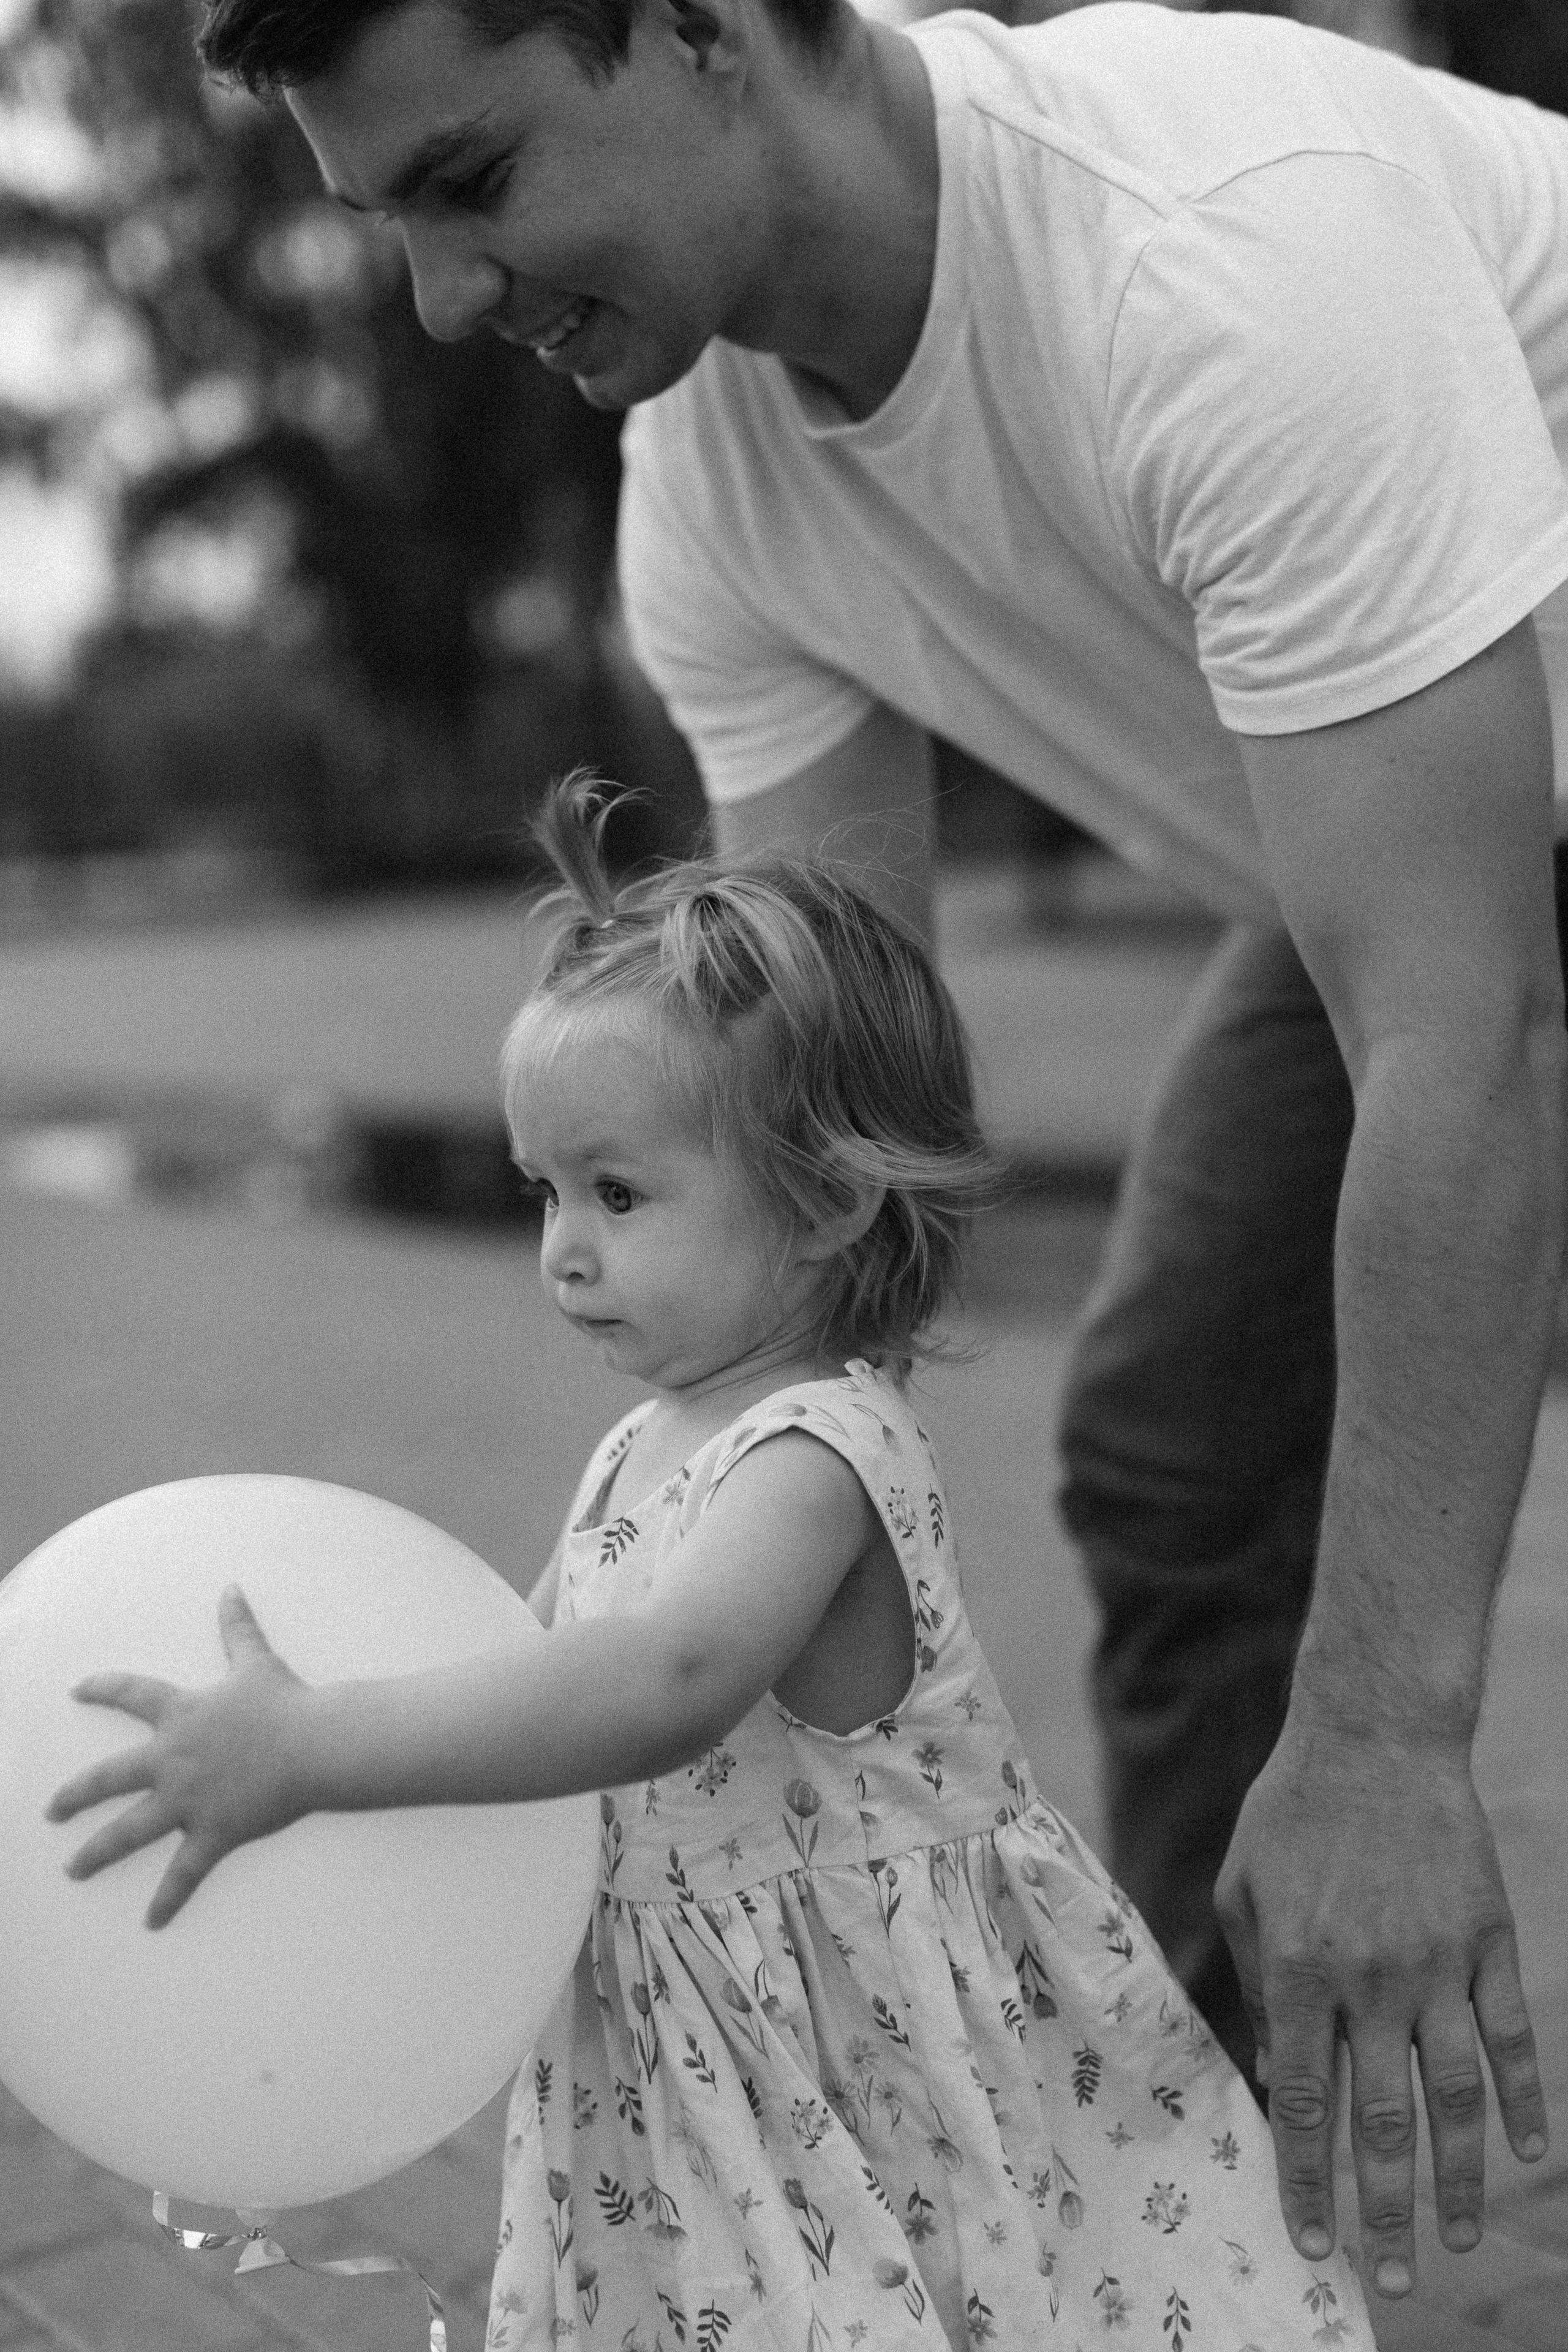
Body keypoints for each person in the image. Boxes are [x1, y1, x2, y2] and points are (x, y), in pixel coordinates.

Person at [190, 0, 1568, 2304]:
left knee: (1364, 1674)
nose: (436, 300)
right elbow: (815, 1123)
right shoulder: (708, 478)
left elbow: (1469, 1039)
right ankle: (1178, 2236)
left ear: (707, 30)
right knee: (1172, 1455)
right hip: (1428, 864)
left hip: (1471, 887)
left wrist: (1386, 1737)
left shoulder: (1218, 261)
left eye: (470, 181)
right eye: (383, 224)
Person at [48, 778, 1371, 2348]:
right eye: (546, 1192)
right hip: (698, 2038)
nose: (563, 1248)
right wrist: (351, 1768)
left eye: (617, 1194)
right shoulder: (648, 1436)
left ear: (827, 1202)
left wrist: (311, 1748)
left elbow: (658, 1682)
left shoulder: (818, 1453)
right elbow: (525, 1676)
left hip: (849, 2046)